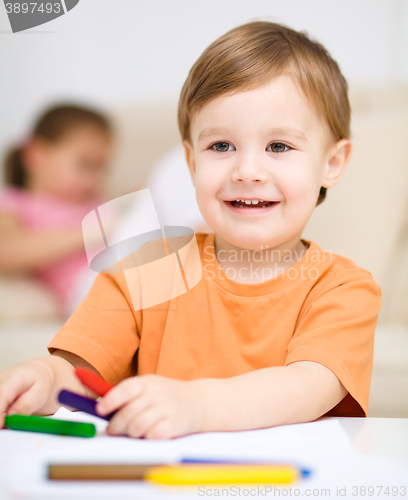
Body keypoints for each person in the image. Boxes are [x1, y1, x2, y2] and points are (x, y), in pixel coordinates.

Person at [0, 21, 381, 439]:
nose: (247, 171)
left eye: (278, 146)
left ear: (332, 163)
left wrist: (196, 406)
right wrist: (42, 378)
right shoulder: (144, 269)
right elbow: (78, 372)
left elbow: (309, 385)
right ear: (192, 161)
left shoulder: (343, 288)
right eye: (221, 146)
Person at [0, 104, 113, 315]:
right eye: (86, 164)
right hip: (90, 289)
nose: (95, 179)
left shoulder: (95, 201)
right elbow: (5, 251)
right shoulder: (16, 202)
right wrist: (90, 232)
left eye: (102, 168)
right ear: (36, 155)